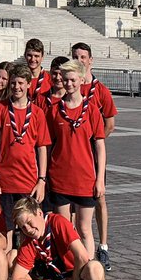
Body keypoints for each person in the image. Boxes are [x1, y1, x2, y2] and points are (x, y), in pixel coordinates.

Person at [9, 197, 105, 280]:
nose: (28, 229)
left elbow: (82, 256)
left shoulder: (57, 222)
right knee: (12, 257)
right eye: (23, 227)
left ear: (39, 213)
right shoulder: (29, 242)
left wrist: (75, 279)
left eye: (29, 222)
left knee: (95, 267)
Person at [47, 61, 105, 259]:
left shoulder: (92, 110)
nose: (69, 84)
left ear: (81, 80)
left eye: (72, 79)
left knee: (84, 229)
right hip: (60, 177)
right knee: (64, 229)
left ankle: (88, 270)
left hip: (85, 178)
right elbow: (48, 145)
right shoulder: (54, 110)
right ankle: (68, 268)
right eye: (65, 80)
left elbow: (99, 146)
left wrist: (100, 179)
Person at [0, 64, 50, 242]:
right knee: (4, 226)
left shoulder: (37, 113)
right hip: (4, 180)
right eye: (13, 83)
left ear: (29, 84)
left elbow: (42, 148)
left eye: (21, 83)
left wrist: (42, 180)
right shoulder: (0, 109)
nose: (17, 87)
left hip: (28, 180)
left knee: (27, 226)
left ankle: (24, 265)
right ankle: (5, 265)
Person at [71, 42, 118, 272]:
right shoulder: (71, 87)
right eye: (75, 56)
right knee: (72, 204)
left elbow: (110, 123)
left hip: (92, 156)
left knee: (98, 198)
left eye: (83, 56)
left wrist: (95, 140)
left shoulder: (101, 91)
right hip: (74, 156)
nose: (79, 60)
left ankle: (104, 246)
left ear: (91, 60)